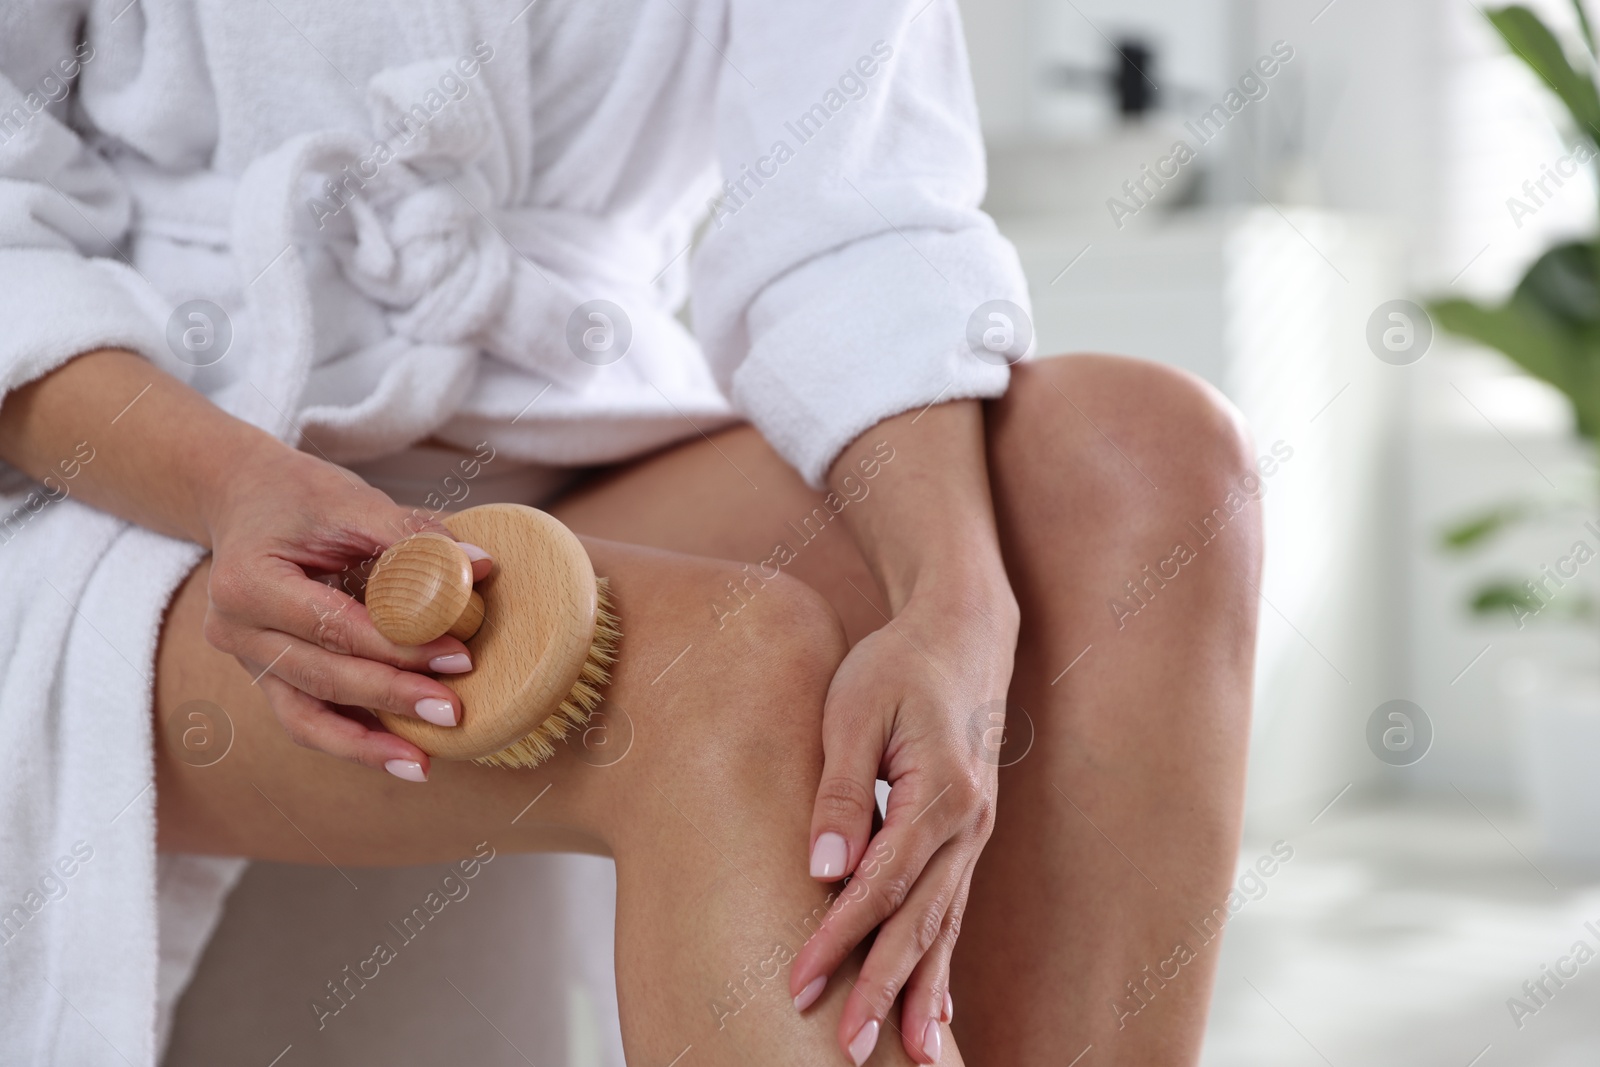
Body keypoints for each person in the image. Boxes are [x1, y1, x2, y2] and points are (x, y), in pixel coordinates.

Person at [0, 1, 1261, 1064]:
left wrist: (956, 605)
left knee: (1141, 464)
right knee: (719, 656)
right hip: (146, 479)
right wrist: (232, 486)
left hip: (582, 418)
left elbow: (859, 212)